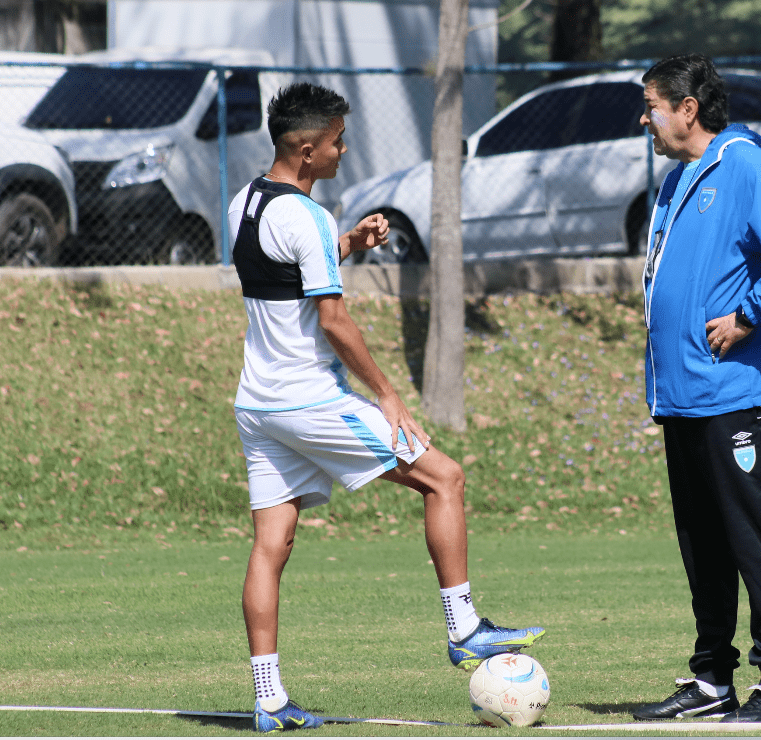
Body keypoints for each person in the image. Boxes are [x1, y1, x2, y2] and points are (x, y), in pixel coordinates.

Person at [229, 82, 544, 733]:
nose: (346, 148)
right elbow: (334, 319)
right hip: (307, 401)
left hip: (256, 405)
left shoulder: (245, 202)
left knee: (271, 545)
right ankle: (464, 630)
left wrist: (347, 243)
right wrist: (389, 393)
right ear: (309, 149)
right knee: (444, 477)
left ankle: (268, 702)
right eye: (339, 140)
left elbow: (283, 274)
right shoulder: (306, 217)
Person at [630, 55, 761, 724]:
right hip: (683, 397)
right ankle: (712, 678)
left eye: (652, 104)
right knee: (702, 541)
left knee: (751, 534)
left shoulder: (741, 162)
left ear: (687, 108)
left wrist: (748, 315)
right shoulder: (674, 180)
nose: (645, 117)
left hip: (733, 395)